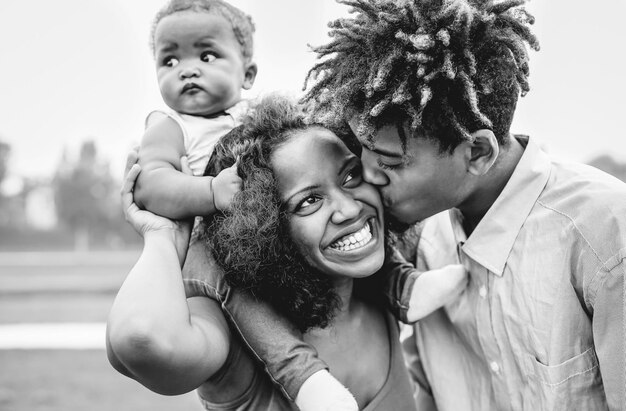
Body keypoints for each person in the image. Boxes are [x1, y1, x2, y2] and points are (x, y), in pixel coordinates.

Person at [298, 0, 626, 410]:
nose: (368, 176)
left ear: (477, 154)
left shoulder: (607, 237)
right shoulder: (421, 239)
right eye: (362, 152)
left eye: (390, 162)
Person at [107, 96, 468, 410]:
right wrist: (161, 238)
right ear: (264, 229)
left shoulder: (377, 289)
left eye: (350, 176)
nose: (348, 209)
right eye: (309, 201)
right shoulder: (230, 331)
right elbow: (142, 337)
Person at [133, 0, 257, 219]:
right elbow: (149, 185)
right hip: (205, 241)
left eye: (206, 56)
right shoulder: (170, 128)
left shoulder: (258, 116)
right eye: (170, 61)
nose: (187, 70)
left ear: (247, 74)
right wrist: (211, 191)